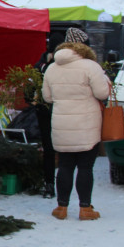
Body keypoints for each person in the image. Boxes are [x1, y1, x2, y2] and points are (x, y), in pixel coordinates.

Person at [42, 28, 111, 220]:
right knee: (85, 167)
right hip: (87, 125)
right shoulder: (91, 67)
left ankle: (61, 208)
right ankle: (85, 208)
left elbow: (46, 97)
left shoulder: (52, 67)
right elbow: (102, 94)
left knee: (64, 166)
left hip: (61, 124)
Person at [34, 31, 68, 198]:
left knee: (49, 149)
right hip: (54, 110)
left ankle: (49, 184)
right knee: (57, 149)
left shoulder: (41, 62)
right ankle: (52, 184)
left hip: (45, 110)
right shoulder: (51, 64)